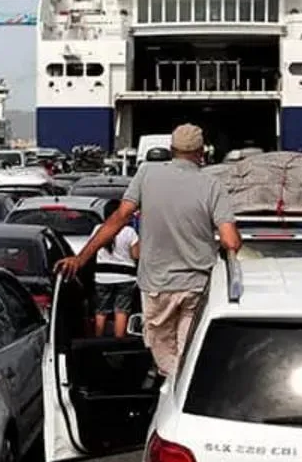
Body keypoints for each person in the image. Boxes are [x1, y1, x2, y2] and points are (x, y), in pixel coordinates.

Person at [56, 124, 241, 378]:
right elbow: (231, 242)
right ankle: (184, 389)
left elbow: (119, 218)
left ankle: (170, 389)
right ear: (201, 153)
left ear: (171, 150)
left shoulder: (146, 174)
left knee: (164, 356)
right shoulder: (212, 185)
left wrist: (80, 259)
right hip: (197, 285)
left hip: (157, 286)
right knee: (190, 353)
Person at [91, 201, 140, 338]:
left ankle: (98, 338)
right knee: (121, 310)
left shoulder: (98, 229)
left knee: (101, 310)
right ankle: (119, 341)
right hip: (126, 277)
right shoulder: (129, 232)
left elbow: (92, 249)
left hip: (102, 276)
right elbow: (136, 255)